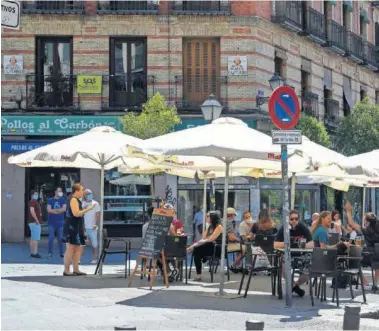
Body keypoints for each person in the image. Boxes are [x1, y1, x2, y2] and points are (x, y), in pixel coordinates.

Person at [274, 210, 314, 297]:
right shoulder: (284, 228)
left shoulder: (303, 227)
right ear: (288, 220)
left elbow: (312, 244)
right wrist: (286, 243)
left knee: (310, 269)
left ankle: (295, 285)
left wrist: (302, 245)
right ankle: (294, 286)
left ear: (299, 219)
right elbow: (275, 244)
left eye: (296, 218)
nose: (294, 220)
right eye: (292, 219)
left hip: (301, 255)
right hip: (287, 255)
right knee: (279, 265)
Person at [345, 201, 379, 289]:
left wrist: (349, 211)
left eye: (364, 219)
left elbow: (352, 224)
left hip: (370, 255)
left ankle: (364, 281)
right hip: (377, 254)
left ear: (367, 221)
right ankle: (375, 283)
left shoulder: (366, 230)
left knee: (354, 260)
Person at [63, 183, 94, 276]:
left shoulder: (76, 200)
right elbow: (76, 213)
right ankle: (66, 270)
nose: (82, 192)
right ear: (76, 191)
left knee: (78, 248)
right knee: (71, 249)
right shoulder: (73, 200)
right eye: (81, 190)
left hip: (76, 227)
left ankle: (76, 269)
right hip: (72, 228)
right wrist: (88, 209)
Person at [187, 212, 223, 281]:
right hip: (209, 246)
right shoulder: (209, 227)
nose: (206, 218)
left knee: (196, 249)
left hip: (217, 248)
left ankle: (198, 274)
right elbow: (203, 238)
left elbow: (211, 239)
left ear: (212, 218)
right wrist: (206, 230)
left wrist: (194, 245)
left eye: (207, 217)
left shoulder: (219, 227)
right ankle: (199, 273)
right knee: (196, 249)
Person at [81, 189, 101, 264]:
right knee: (81, 244)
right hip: (84, 227)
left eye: (91, 193)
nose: (90, 195)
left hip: (93, 228)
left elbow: (98, 215)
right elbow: (79, 215)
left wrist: (95, 224)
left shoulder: (95, 203)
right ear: (85, 196)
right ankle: (79, 259)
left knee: (94, 244)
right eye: (88, 194)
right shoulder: (82, 204)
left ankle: (95, 258)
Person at [47, 187, 67, 258]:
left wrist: (55, 211)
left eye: (61, 191)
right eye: (59, 191)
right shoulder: (50, 200)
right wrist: (59, 211)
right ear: (55, 192)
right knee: (51, 238)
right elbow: (49, 210)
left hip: (60, 222)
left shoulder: (63, 200)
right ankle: (50, 252)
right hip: (51, 223)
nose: (60, 192)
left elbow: (64, 209)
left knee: (60, 238)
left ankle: (61, 253)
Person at [226, 207, 245, 273]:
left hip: (219, 244)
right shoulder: (229, 223)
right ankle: (233, 265)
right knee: (245, 248)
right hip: (227, 245)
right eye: (234, 215)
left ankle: (238, 266)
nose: (234, 217)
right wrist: (240, 240)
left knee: (239, 247)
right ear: (231, 215)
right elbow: (232, 238)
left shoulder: (221, 221)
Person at [28, 190, 42, 258]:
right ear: (32, 195)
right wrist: (36, 219)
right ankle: (35, 253)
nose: (37, 195)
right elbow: (32, 210)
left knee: (33, 238)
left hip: (32, 222)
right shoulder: (33, 201)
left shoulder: (33, 201)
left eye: (37, 194)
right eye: (35, 194)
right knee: (35, 239)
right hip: (34, 222)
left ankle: (32, 252)